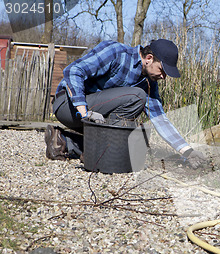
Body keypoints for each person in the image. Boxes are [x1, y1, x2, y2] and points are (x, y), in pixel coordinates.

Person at [45, 39, 207, 169]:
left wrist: (187, 150)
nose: (164, 76)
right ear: (149, 58)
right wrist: (85, 112)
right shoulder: (117, 53)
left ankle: (64, 141)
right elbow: (73, 71)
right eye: (162, 70)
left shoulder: (148, 83)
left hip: (90, 114)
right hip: (67, 105)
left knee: (128, 150)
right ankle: (97, 153)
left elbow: (160, 119)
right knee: (136, 96)